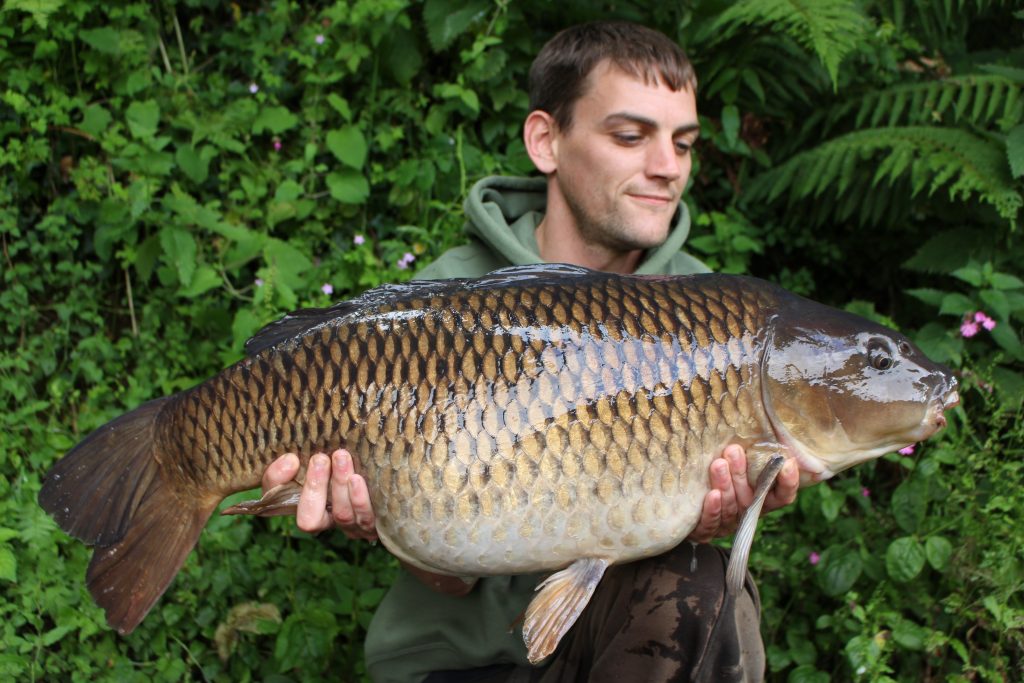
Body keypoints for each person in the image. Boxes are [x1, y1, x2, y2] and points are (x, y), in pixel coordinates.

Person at [263, 21, 799, 682]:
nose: (667, 167)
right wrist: (384, 522)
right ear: (546, 140)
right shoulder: (441, 304)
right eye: (631, 136)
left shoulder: (713, 317)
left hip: (618, 657)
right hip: (456, 664)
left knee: (697, 578)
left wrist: (702, 521)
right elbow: (447, 574)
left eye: (683, 142)